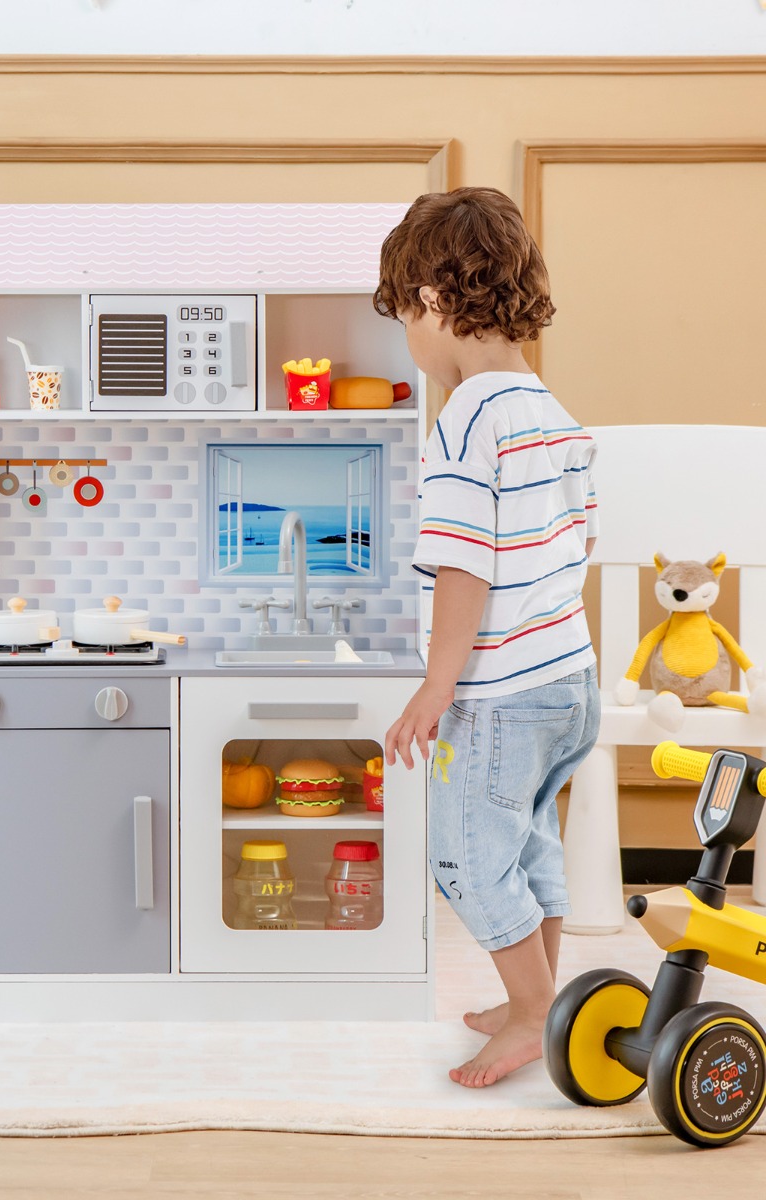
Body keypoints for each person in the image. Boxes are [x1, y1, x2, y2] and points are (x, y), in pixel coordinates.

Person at [375, 187, 600, 1088]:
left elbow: (466, 563)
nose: (411, 343)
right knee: (530, 841)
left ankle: (535, 1010)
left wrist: (438, 684)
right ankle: (533, 999)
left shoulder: (466, 419)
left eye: (403, 321)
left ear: (431, 301)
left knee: (465, 852)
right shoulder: (549, 409)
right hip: (566, 679)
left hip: (502, 693)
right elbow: (573, 540)